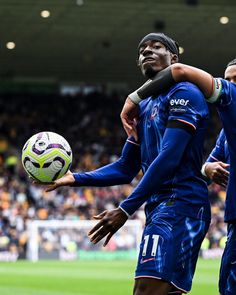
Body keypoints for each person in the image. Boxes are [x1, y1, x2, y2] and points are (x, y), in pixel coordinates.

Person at [40, 33, 211, 295]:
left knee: (144, 290)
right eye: (142, 50)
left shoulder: (184, 92)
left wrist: (125, 209)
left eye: (157, 47)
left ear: (174, 58)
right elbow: (125, 167)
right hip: (160, 208)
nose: (147, 52)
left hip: (181, 204)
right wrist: (75, 178)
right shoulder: (143, 109)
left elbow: (169, 158)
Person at [121, 59, 236, 295]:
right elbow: (204, 169)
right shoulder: (226, 134)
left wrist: (133, 98)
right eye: (228, 78)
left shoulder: (232, 97)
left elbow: (179, 71)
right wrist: (207, 170)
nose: (230, 84)